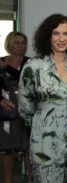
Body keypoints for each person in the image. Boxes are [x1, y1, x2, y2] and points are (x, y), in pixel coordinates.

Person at [18, 14, 67, 182]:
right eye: (56, 33)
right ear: (47, 36)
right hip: (44, 146)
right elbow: (25, 109)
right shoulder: (33, 66)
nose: (61, 38)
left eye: (66, 33)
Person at [0, 32, 31, 183]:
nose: (19, 45)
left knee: (28, 149)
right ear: (9, 44)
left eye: (22, 42)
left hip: (27, 111)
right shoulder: (1, 62)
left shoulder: (31, 63)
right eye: (16, 42)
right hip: (8, 112)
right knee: (6, 150)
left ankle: (31, 179)